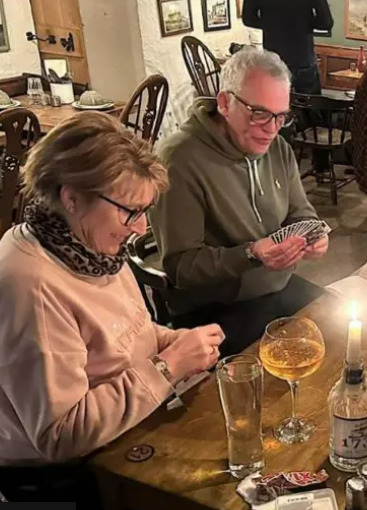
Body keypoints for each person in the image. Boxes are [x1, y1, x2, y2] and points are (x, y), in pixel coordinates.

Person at [0, 113, 224, 501]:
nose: (139, 228)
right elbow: (61, 435)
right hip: (67, 476)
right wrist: (168, 366)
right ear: (71, 197)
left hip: (125, 431)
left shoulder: (90, 247)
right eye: (130, 211)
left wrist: (175, 341)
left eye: (145, 211)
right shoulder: (29, 284)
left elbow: (128, 331)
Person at [151, 47, 327, 357]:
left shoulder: (278, 147)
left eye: (281, 116)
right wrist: (250, 254)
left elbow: (301, 212)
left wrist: (313, 235)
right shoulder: (179, 159)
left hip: (275, 286)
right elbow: (180, 268)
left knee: (338, 330)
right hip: (216, 306)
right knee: (275, 372)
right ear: (224, 102)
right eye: (259, 114)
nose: (272, 130)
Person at [242, 0, 334, 95]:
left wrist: (271, 24)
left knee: (274, 104)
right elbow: (326, 23)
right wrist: (303, 22)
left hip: (273, 57)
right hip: (302, 55)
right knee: (309, 104)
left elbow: (248, 19)